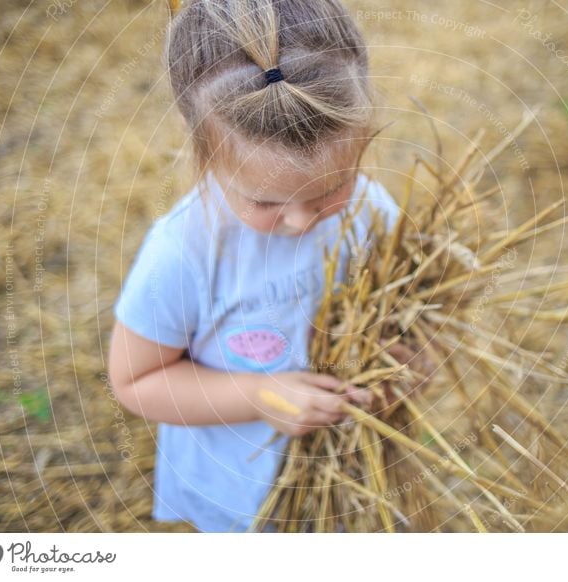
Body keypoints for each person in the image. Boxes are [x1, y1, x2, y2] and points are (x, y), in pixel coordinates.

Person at [107, 0, 407, 533]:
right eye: (265, 202)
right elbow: (137, 381)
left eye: (332, 188)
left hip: (355, 483)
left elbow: (414, 307)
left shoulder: (373, 211)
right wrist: (259, 395)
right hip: (241, 495)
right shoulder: (184, 253)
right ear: (201, 147)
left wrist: (414, 362)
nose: (300, 220)